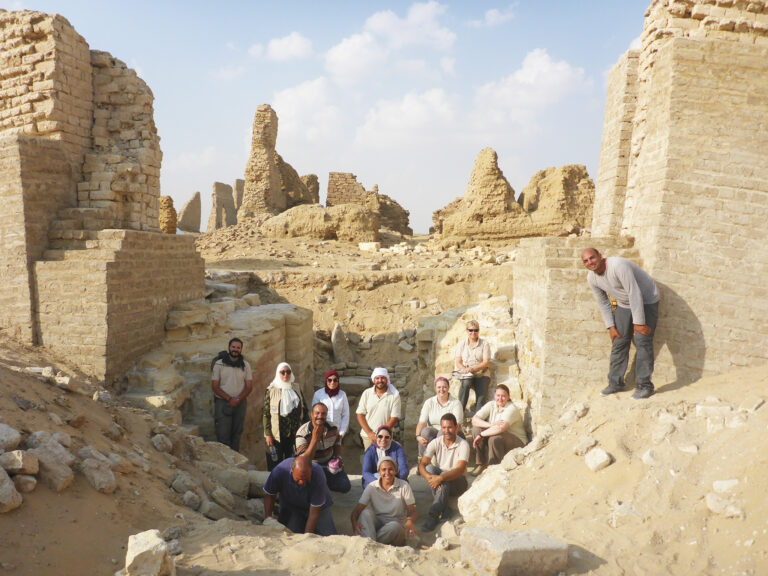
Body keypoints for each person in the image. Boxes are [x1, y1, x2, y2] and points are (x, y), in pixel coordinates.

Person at [581, 247, 660, 399]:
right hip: (624, 304)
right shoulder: (592, 278)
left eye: (592, 258)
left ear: (600, 256)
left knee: (642, 340)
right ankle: (615, 383)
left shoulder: (618, 266)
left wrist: (639, 323)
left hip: (647, 300)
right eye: (586, 261)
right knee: (619, 340)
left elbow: (634, 292)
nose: (590, 262)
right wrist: (610, 326)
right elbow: (603, 302)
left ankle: (645, 386)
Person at [418, 413, 469, 531]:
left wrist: (440, 478)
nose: (447, 431)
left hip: (458, 482)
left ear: (456, 427)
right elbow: (422, 464)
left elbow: (460, 469)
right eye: (444, 428)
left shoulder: (463, 445)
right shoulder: (436, 442)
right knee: (430, 469)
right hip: (441, 479)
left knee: (442, 477)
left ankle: (433, 516)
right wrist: (429, 478)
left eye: (450, 427)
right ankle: (445, 509)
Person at [351, 456, 418, 546]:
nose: (387, 473)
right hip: (378, 525)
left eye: (390, 469)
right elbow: (357, 511)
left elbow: (413, 512)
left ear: (395, 471)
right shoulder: (372, 487)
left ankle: (370, 543)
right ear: (379, 472)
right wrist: (354, 524)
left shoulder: (404, 486)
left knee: (394, 526)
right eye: (383, 470)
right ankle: (371, 543)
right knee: (365, 513)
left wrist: (410, 521)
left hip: (396, 527)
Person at [263, 456, 336, 535]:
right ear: (292, 470)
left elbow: (314, 513)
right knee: (290, 534)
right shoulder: (280, 471)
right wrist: (268, 517)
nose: (301, 482)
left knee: (328, 536)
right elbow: (270, 494)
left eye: (305, 478)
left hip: (319, 508)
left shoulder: (318, 474)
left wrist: (307, 536)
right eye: (298, 479)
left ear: (311, 471)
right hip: (292, 506)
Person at [471, 384, 526, 476]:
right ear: (494, 395)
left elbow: (501, 428)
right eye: (498, 395)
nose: (500, 398)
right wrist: (490, 425)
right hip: (499, 435)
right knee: (476, 429)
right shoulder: (491, 405)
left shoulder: (511, 408)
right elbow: (474, 419)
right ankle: (480, 464)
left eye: (503, 396)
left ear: (508, 397)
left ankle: (493, 469)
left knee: (494, 438)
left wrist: (481, 435)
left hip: (517, 441)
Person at [295, 402, 351, 493]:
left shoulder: (332, 428)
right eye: (317, 413)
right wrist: (314, 439)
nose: (320, 416)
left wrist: (338, 457)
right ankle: (320, 484)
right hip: (311, 465)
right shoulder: (302, 433)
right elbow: (304, 460)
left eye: (323, 414)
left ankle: (323, 483)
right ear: (312, 414)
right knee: (304, 486)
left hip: (328, 464)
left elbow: (337, 443)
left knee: (345, 486)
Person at [211, 337, 253, 452]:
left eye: (238, 348)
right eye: (233, 347)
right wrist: (229, 399)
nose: (235, 349)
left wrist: (238, 399)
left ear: (241, 350)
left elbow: (249, 387)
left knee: (237, 434)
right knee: (223, 434)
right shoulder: (219, 365)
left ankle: (235, 462)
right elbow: (215, 386)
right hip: (223, 403)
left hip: (240, 403)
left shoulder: (245, 365)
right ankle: (225, 463)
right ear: (229, 348)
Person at [263, 362, 308, 470]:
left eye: (288, 372)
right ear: (278, 373)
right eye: (282, 372)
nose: (285, 375)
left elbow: (305, 410)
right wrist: (268, 434)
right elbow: (266, 414)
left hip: (294, 434)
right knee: (275, 464)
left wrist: (307, 430)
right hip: (276, 435)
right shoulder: (271, 390)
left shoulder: (296, 388)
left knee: (293, 463)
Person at [415, 376, 464, 458]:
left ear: (448, 388)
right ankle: (423, 461)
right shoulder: (429, 402)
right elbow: (422, 422)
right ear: (435, 388)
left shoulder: (456, 403)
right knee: (425, 432)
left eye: (444, 387)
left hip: (453, 432)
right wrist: (418, 436)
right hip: (434, 433)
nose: (442, 389)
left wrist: (443, 437)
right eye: (439, 387)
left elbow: (457, 425)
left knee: (443, 432)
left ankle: (441, 462)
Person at [356, 367, 401, 451]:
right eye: (377, 378)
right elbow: (360, 414)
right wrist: (370, 434)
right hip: (368, 437)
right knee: (370, 461)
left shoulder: (394, 395)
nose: (380, 380)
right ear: (374, 380)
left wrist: (380, 435)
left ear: (387, 379)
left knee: (385, 462)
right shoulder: (367, 393)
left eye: (383, 378)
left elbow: (394, 417)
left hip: (385, 437)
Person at [454, 320, 491, 414]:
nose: (473, 332)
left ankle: (478, 420)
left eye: (476, 330)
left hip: (481, 373)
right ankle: (459, 413)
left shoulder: (484, 344)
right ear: (467, 331)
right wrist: (464, 369)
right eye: (471, 330)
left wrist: (473, 369)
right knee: (465, 384)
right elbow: (458, 361)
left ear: (479, 331)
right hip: (467, 372)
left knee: (481, 395)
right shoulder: (462, 344)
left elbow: (486, 362)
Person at [311, 369, 349, 439]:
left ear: (338, 381)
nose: (332, 382)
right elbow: (314, 414)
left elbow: (345, 415)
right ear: (326, 381)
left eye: (335, 380)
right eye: (329, 380)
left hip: (337, 432)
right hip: (322, 432)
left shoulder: (342, 395)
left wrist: (341, 433)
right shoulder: (318, 394)